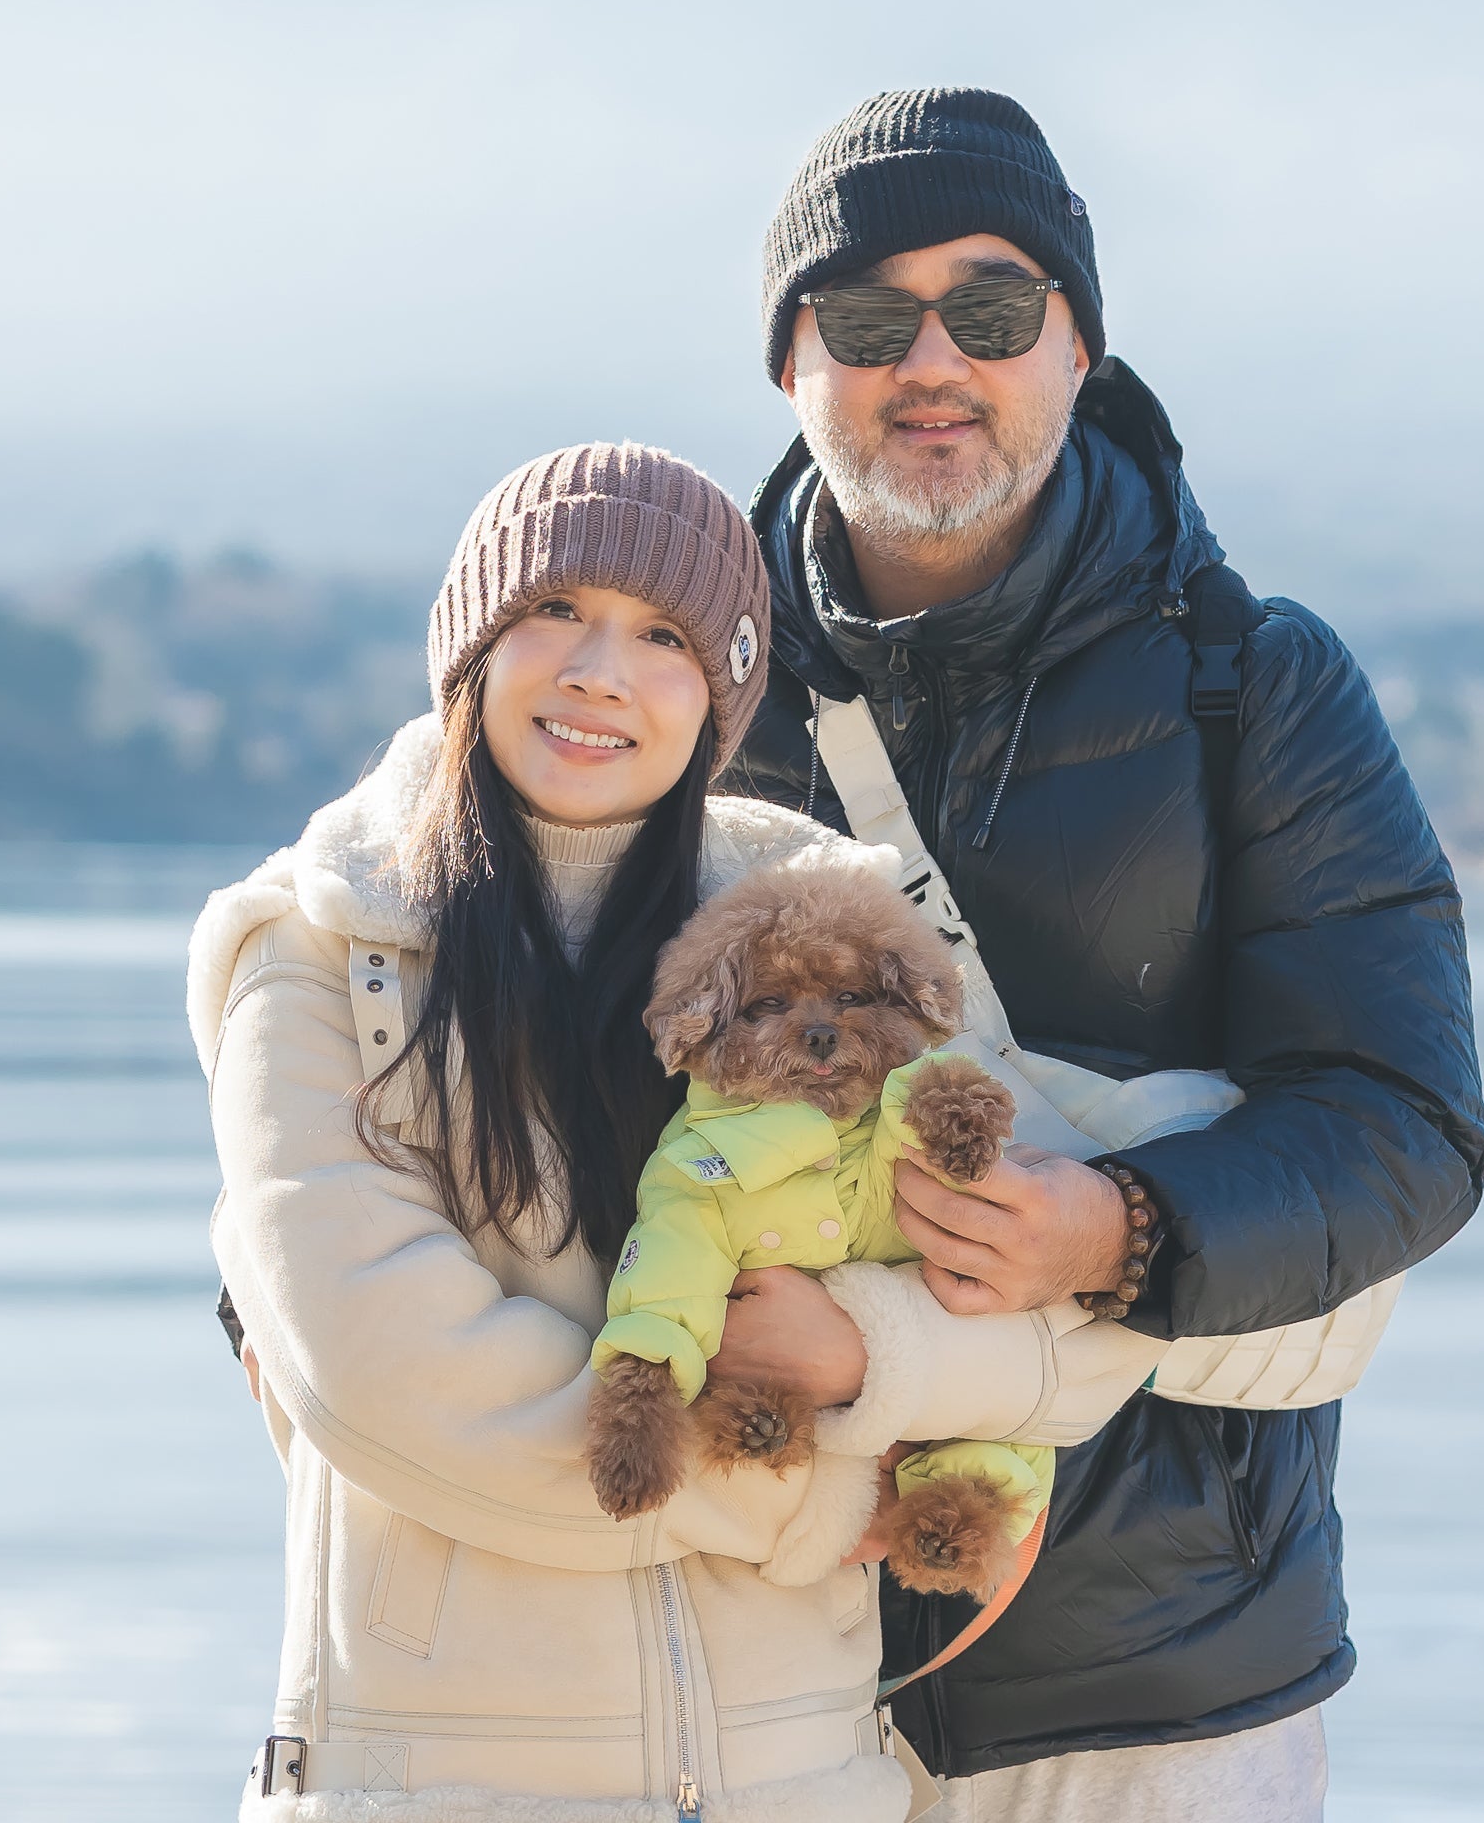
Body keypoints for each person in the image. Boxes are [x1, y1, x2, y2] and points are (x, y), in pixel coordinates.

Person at [716, 88, 1484, 1818]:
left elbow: (1405, 1126)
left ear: (1081, 345)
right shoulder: (676, 687)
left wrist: (1120, 1228)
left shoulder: (1253, 687)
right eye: (866, 316)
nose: (931, 360)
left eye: (991, 311)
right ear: (789, 363)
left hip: (1152, 1685)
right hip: (746, 1662)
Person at [195, 444, 1148, 1823]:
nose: (598, 671)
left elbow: (1090, 1297)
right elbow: (388, 1375)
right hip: (444, 1784)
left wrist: (874, 1355)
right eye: (552, 614)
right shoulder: (322, 951)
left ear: (721, 693)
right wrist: (819, 1509)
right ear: (470, 647)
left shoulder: (817, 929)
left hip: (799, 1781)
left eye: (662, 637)